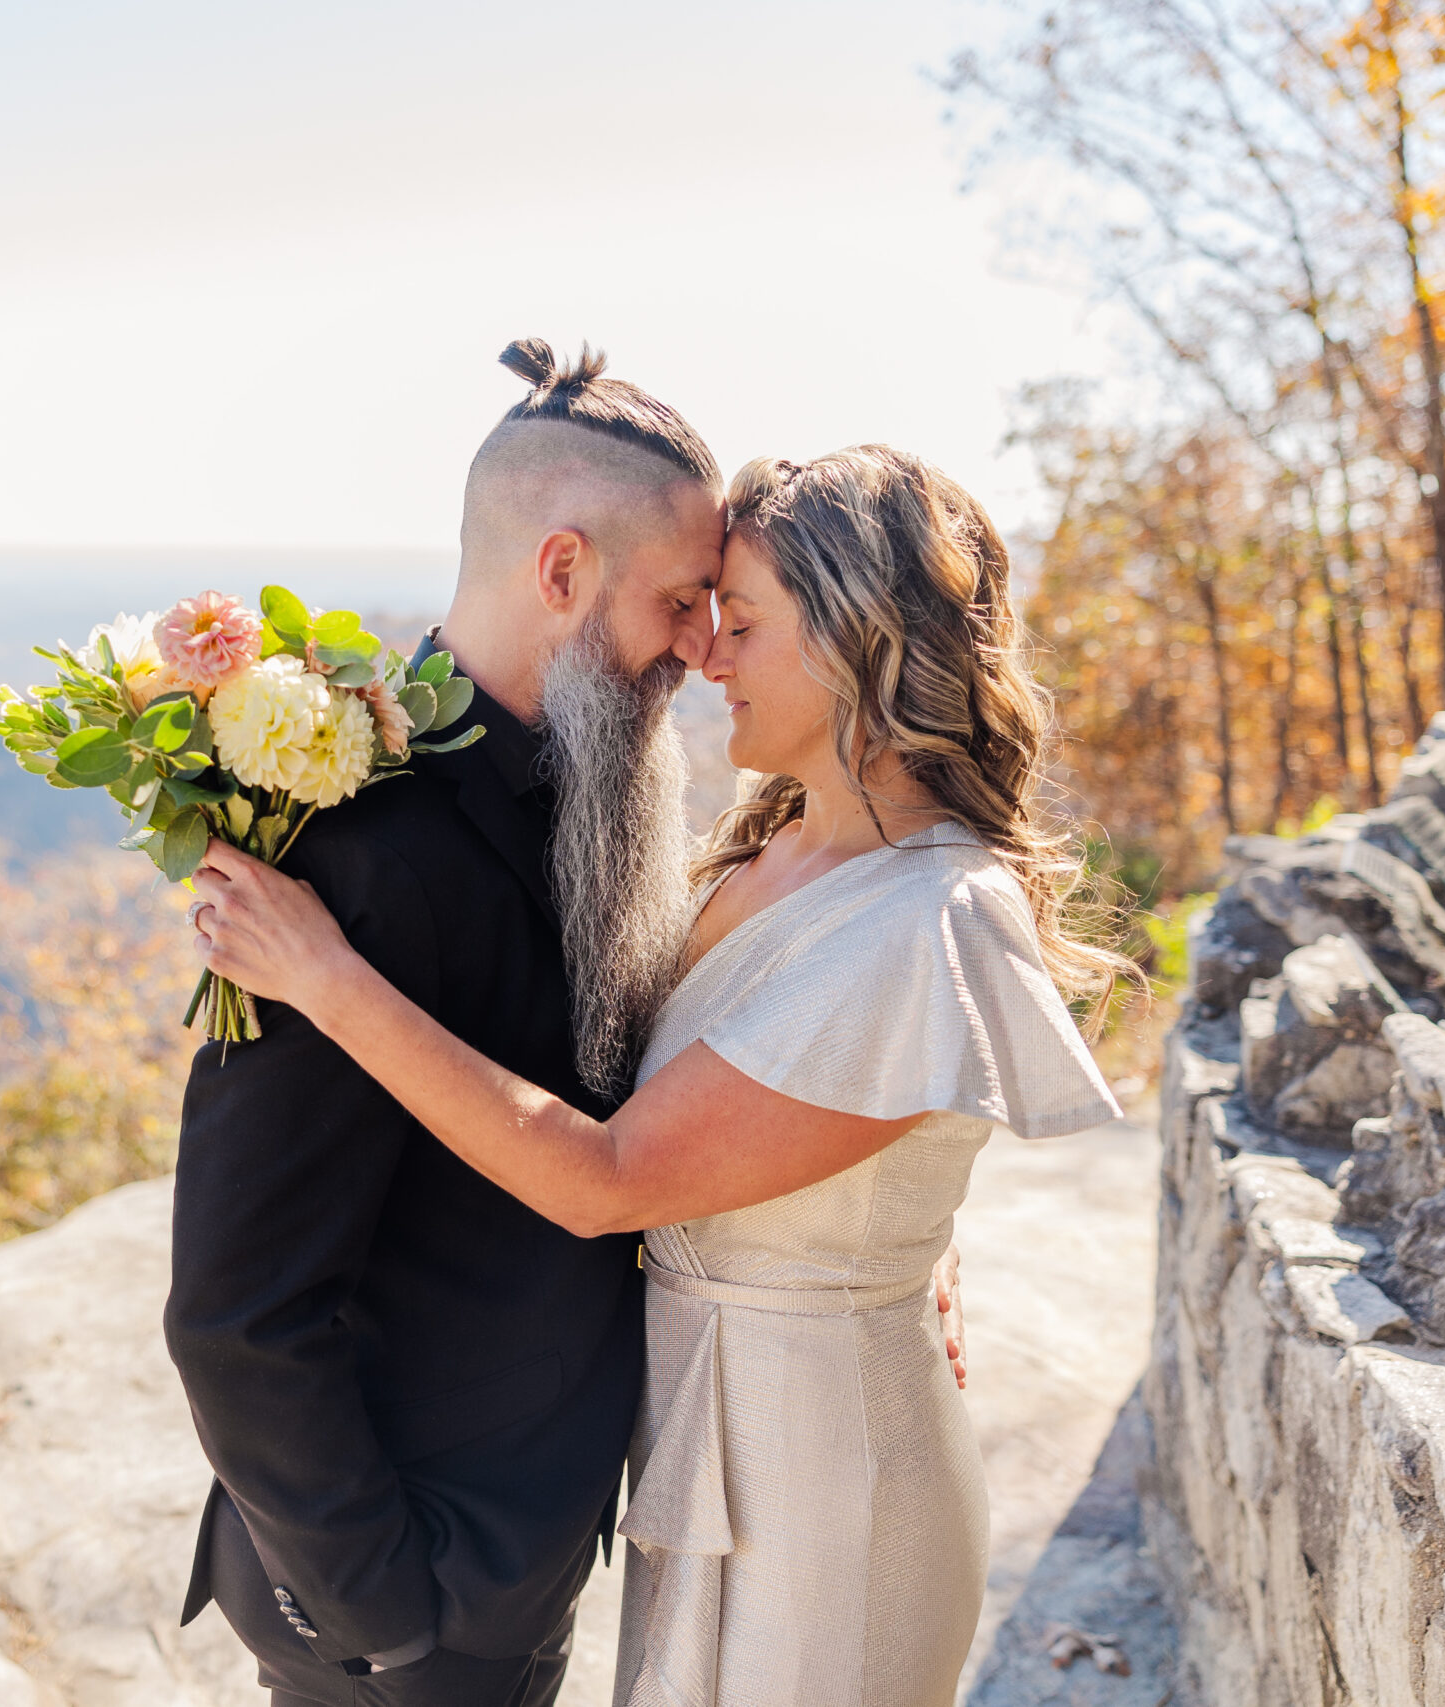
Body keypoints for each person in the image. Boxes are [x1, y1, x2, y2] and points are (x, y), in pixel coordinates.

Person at [189, 444, 1129, 1707]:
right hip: (700, 1463)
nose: (706, 655)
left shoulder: (936, 910)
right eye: (698, 613)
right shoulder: (768, 846)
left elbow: (616, 1174)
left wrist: (328, 979)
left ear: (861, 641)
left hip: (819, 1480)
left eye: (739, 621)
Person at [162, 338, 729, 1706]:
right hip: (405, 1604)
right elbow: (235, 1308)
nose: (701, 649)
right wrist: (390, 1611)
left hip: (509, 1561)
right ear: (560, 572)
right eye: (679, 600)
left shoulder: (591, 798)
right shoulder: (360, 857)